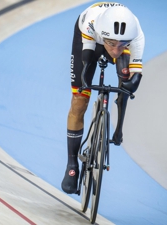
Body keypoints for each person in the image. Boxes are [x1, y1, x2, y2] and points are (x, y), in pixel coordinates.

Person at [62, 2, 145, 194]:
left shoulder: (135, 33)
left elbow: (136, 75)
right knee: (80, 99)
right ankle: (72, 163)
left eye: (121, 45)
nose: (116, 51)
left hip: (115, 37)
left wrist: (119, 128)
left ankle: (118, 131)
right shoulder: (91, 23)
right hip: (90, 39)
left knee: (126, 82)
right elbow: (87, 55)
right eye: (112, 45)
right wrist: (83, 84)